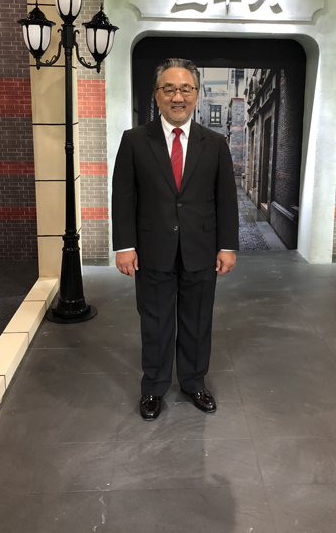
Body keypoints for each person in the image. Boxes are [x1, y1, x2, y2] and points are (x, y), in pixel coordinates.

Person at [112, 58, 239, 421]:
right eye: (169, 89)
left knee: (198, 321)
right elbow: (124, 196)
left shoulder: (214, 143)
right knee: (155, 322)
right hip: (153, 250)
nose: (177, 97)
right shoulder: (135, 140)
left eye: (185, 89)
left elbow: (226, 198)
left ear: (196, 94)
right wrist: (125, 246)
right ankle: (153, 387)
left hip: (201, 249)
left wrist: (227, 246)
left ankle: (194, 382)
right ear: (157, 95)